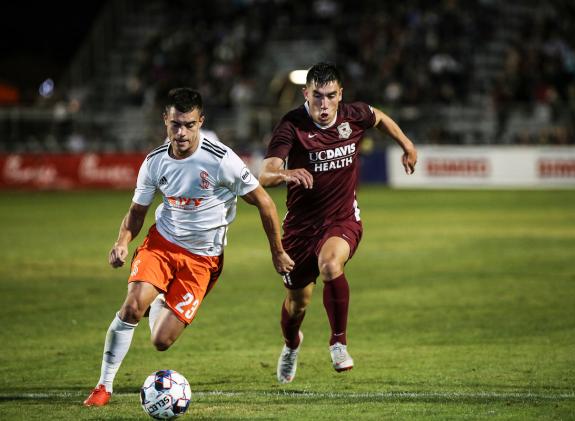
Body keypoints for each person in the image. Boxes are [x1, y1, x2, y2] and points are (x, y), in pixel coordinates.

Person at [84, 87, 294, 406]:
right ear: (165, 121)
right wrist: (122, 242)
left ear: (200, 122)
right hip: (162, 244)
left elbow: (265, 203)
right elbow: (137, 213)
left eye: (189, 125)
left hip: (203, 260)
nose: (181, 133)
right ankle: (103, 386)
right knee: (130, 307)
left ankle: (157, 297)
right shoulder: (155, 162)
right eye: (175, 125)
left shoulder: (221, 160)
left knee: (161, 341)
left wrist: (277, 251)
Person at [259, 62, 417, 383]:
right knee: (297, 304)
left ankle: (338, 342)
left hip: (342, 219)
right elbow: (265, 173)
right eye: (317, 96)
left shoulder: (354, 114)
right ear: (306, 93)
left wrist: (407, 145)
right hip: (301, 228)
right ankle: (291, 345)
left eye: (331, 96)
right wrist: (286, 173)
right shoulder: (292, 125)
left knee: (331, 264)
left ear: (340, 94)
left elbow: (381, 118)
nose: (324, 104)